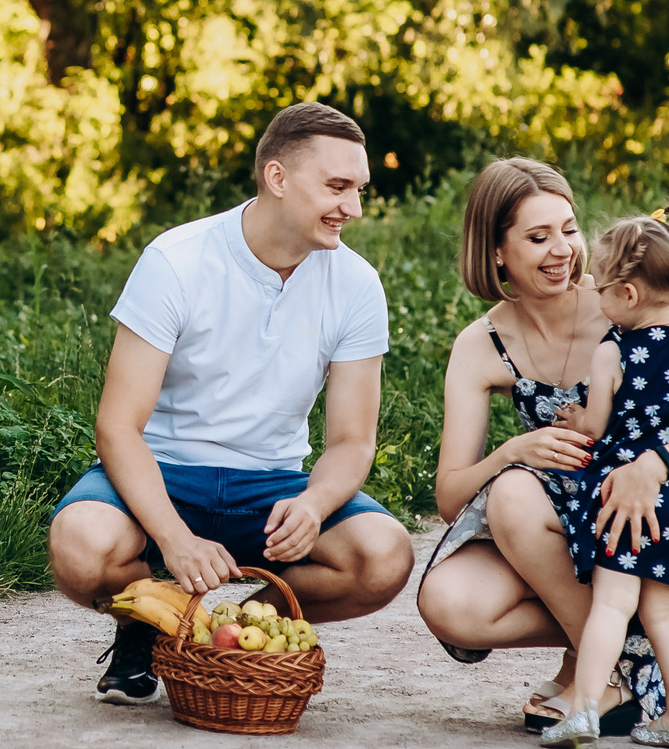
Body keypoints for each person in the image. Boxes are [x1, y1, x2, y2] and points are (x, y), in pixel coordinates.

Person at [48, 102, 418, 705]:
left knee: (382, 558)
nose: (352, 207)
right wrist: (172, 538)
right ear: (277, 179)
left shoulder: (356, 284)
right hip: (164, 476)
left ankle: (231, 636)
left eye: (359, 190)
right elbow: (118, 426)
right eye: (337, 187)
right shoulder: (177, 260)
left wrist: (314, 504)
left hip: (270, 488)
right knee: (82, 546)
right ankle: (145, 627)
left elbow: (352, 440)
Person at [414, 160, 669, 732]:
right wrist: (510, 452)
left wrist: (654, 466)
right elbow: (450, 498)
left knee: (515, 499)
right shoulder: (482, 344)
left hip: (636, 518)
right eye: (537, 237)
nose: (562, 251)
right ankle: (617, 654)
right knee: (452, 598)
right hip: (552, 533)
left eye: (569, 229)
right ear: (497, 251)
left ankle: (608, 677)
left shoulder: (627, 303)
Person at [537, 201, 669, 749]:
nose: (594, 295)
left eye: (600, 286)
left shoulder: (612, 351)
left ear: (627, 295)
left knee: (612, 605)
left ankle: (586, 707)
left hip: (629, 496)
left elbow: (595, 425)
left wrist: (575, 418)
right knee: (663, 615)